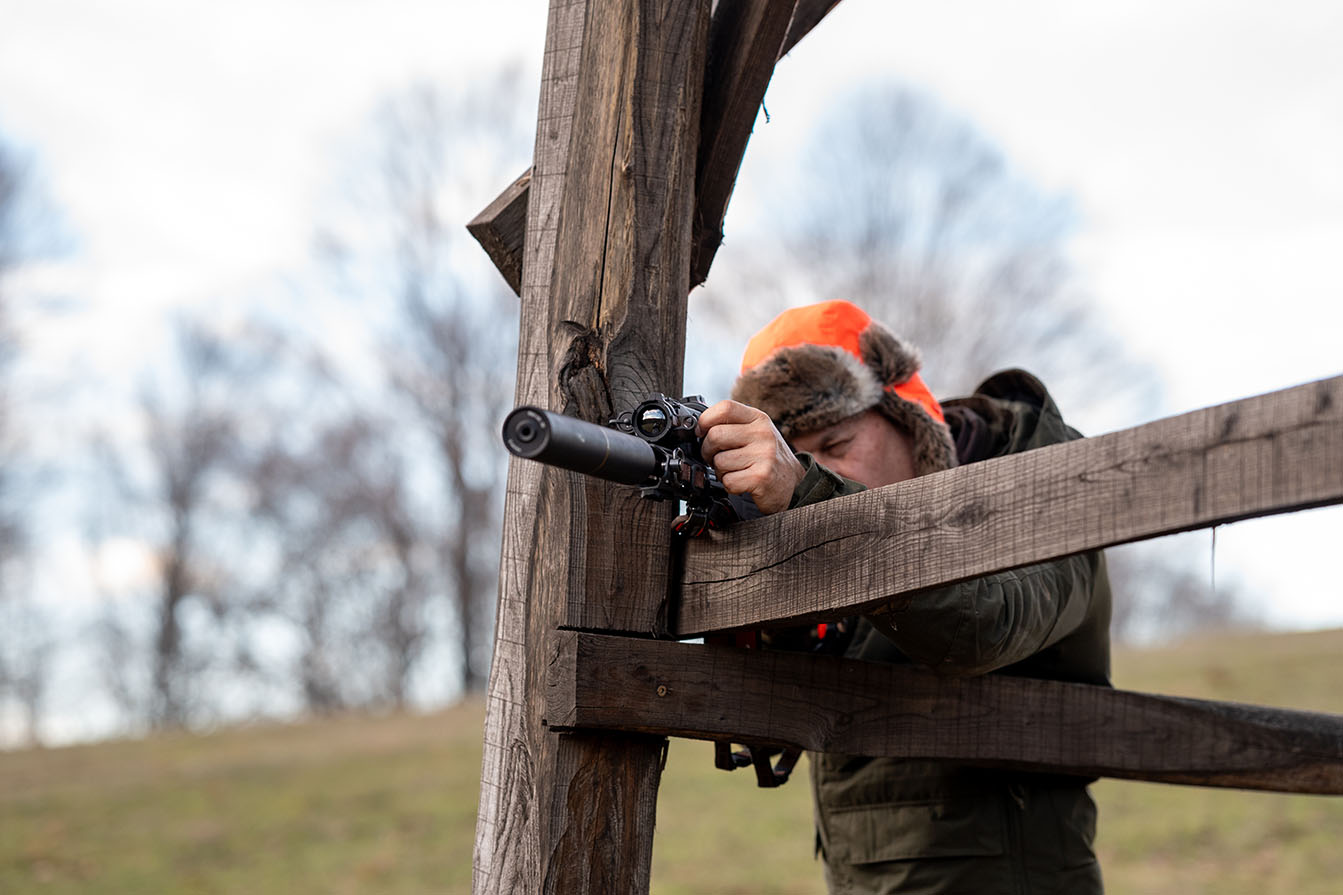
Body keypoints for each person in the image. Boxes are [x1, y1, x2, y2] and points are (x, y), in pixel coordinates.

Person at [695, 299, 1111, 895]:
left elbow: (986, 624)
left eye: (837, 445)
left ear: (909, 419)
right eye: (801, 457)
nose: (826, 469)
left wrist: (811, 498)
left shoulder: (1037, 464)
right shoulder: (842, 528)